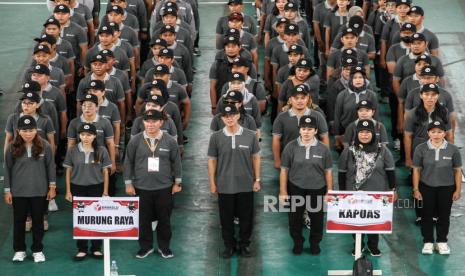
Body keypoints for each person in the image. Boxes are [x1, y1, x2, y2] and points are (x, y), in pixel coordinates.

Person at [124, 109, 182, 259]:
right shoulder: (135, 140)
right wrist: (128, 183)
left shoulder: (169, 140)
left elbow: (176, 162)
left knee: (164, 220)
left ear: (161, 122)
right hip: (141, 187)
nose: (150, 124)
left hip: (164, 187)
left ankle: (165, 247)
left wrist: (178, 182)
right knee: (143, 220)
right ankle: (145, 247)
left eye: (154, 121)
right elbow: (128, 161)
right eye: (147, 121)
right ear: (143, 122)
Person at [207, 104, 261, 258]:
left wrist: (257, 179)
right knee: (226, 218)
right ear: (221, 118)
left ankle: (245, 244)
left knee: (246, 217)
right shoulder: (216, 137)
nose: (229, 118)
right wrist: (212, 182)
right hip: (224, 185)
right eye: (225, 116)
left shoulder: (251, 135)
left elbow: (256, 158)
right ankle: (228, 245)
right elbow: (212, 161)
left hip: (246, 184)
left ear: (238, 116)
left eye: (232, 115)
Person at [338, 119, 396, 256]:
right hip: (353, 194)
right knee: (355, 220)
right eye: (361, 132)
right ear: (356, 134)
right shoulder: (348, 151)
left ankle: (373, 245)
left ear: (374, 134)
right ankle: (358, 245)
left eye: (368, 132)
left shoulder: (383, 150)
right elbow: (341, 173)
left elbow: (390, 170)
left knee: (374, 221)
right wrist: (341, 194)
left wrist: (393, 189)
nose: (364, 135)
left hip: (376, 193)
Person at [4, 115, 56, 263]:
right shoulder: (12, 147)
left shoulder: (45, 145)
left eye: (31, 130)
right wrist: (7, 190)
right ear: (18, 131)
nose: (28, 133)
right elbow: (7, 169)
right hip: (18, 192)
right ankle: (19, 250)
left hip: (39, 191)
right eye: (25, 130)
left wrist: (52, 187)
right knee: (19, 221)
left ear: (36, 130)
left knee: (38, 222)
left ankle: (38, 250)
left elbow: (51, 167)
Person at [279, 115, 333, 255]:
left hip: (317, 188)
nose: (306, 132)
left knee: (317, 218)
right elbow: (284, 171)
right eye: (303, 129)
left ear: (315, 131)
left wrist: (329, 191)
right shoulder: (290, 147)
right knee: (294, 218)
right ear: (299, 130)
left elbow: (328, 172)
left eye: (310, 129)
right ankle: (298, 242)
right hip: (296, 187)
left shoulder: (324, 149)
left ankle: (315, 243)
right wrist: (283, 191)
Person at [412, 120, 462, 255]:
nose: (436, 135)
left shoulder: (453, 149)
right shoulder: (420, 149)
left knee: (444, 215)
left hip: (447, 187)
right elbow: (416, 169)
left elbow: (457, 170)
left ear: (444, 133)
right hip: (426, 187)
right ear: (428, 133)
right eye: (433, 132)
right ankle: (428, 242)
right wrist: (416, 189)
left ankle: (442, 242)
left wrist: (458, 189)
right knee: (426, 215)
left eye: (440, 132)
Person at [63, 123, 111, 261]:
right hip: (77, 187)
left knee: (97, 219)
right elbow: (68, 170)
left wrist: (105, 191)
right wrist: (68, 191)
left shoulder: (101, 150)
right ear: (79, 135)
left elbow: (105, 172)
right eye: (83, 134)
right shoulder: (72, 150)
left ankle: (96, 248)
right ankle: (82, 248)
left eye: (89, 135)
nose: (85, 137)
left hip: (96, 187)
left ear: (94, 136)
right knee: (81, 219)